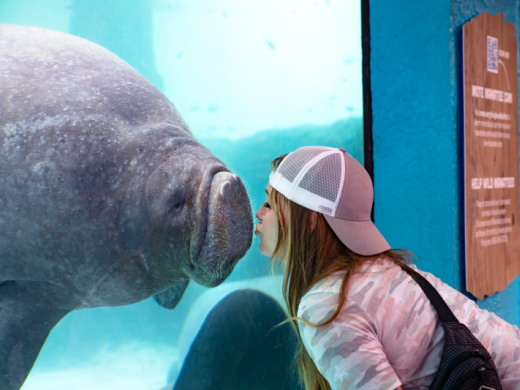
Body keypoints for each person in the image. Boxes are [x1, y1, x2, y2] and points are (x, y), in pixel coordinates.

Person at [254, 146, 520, 390]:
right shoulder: (389, 270)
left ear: (310, 219)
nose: (259, 213)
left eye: (270, 204)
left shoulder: (328, 305)